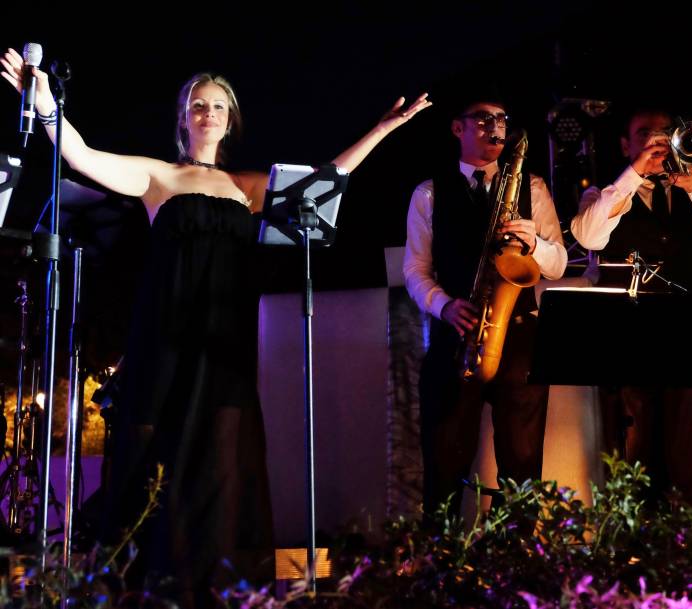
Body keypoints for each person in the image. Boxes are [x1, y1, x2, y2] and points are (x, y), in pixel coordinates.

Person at [2, 47, 430, 606]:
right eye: (198, 105)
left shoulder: (248, 185)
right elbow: (81, 155)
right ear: (183, 117)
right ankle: (143, 585)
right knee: (156, 456)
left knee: (222, 460)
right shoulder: (157, 176)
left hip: (225, 341)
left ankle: (215, 585)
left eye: (218, 106)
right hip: (164, 337)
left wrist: (382, 129)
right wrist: (47, 108)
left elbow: (327, 181)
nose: (208, 113)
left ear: (230, 120)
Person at [403, 91, 567, 517]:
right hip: (458, 331)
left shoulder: (531, 187)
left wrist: (535, 243)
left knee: (523, 460)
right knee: (444, 456)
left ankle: (519, 562)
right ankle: (440, 560)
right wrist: (444, 306)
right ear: (457, 129)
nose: (495, 126)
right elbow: (415, 270)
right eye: (481, 118)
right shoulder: (428, 193)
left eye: (501, 118)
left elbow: (558, 263)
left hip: (520, 336)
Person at [569, 106, 692, 505]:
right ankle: (636, 538)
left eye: (665, 132)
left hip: (687, 333)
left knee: (690, 443)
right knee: (634, 443)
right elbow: (591, 238)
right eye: (644, 132)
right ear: (625, 144)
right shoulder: (603, 192)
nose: (656, 139)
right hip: (629, 337)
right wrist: (634, 174)